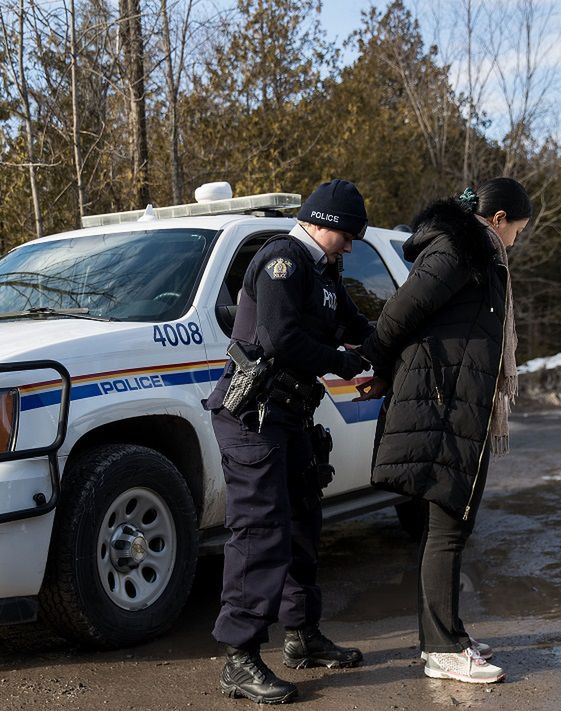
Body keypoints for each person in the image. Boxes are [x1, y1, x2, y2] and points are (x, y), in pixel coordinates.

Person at [355, 177, 533, 684]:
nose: (517, 240)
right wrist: (376, 365)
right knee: (446, 526)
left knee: (453, 524)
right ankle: (441, 648)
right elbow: (401, 310)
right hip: (440, 401)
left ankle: (449, 635)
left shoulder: (474, 251)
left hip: (456, 401)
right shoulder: (462, 247)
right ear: (497, 220)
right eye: (517, 230)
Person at [203, 179, 375, 704]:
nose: (349, 246)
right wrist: (343, 363)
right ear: (323, 222)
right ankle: (239, 658)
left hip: (291, 416)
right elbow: (280, 339)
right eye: (346, 235)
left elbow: (353, 324)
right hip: (253, 417)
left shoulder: (324, 271)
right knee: (261, 533)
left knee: (303, 521)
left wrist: (389, 346)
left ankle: (301, 635)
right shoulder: (284, 259)